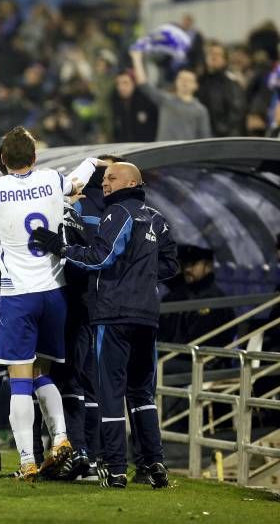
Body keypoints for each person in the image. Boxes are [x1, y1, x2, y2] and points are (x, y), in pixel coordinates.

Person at [33, 162, 179, 489]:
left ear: (131, 181)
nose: (106, 183)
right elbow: (169, 265)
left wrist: (59, 247)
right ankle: (154, 462)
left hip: (113, 315)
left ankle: (115, 468)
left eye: (112, 178)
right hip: (147, 317)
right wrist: (139, 277)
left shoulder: (117, 214)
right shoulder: (157, 218)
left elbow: (100, 257)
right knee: (142, 394)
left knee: (109, 392)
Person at [0, 126, 83, 481]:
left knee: (19, 380)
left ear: (2, 160)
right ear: (34, 157)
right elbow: (75, 186)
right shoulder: (52, 178)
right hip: (54, 292)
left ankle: (26, 461)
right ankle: (61, 439)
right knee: (42, 373)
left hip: (18, 295)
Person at [130, 48, 211, 141]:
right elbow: (143, 85)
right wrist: (136, 58)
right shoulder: (165, 100)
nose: (184, 82)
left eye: (188, 80)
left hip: (185, 154)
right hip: (162, 153)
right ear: (176, 82)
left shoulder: (200, 110)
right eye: (181, 78)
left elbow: (205, 139)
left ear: (196, 85)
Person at [110, 71, 158, 142]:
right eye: (118, 84)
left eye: (125, 83)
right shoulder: (115, 102)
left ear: (134, 83)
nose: (121, 87)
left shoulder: (146, 101)